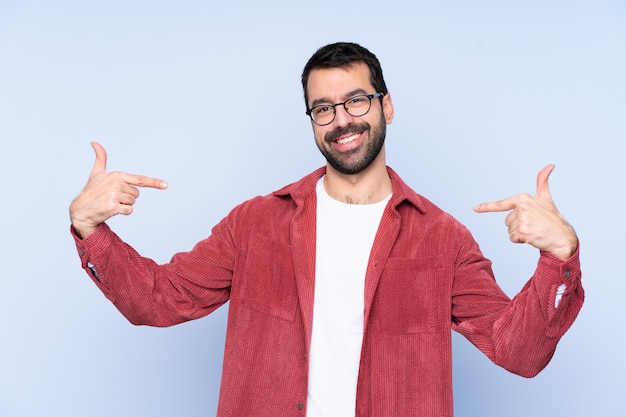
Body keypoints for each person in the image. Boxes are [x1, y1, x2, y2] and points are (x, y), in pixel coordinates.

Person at [69, 42, 584, 417]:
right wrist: (91, 229)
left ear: (386, 105)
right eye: (323, 109)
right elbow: (158, 300)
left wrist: (558, 259)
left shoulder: (443, 239)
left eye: (356, 100)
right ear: (312, 119)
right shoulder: (255, 224)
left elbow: (517, 351)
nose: (342, 120)